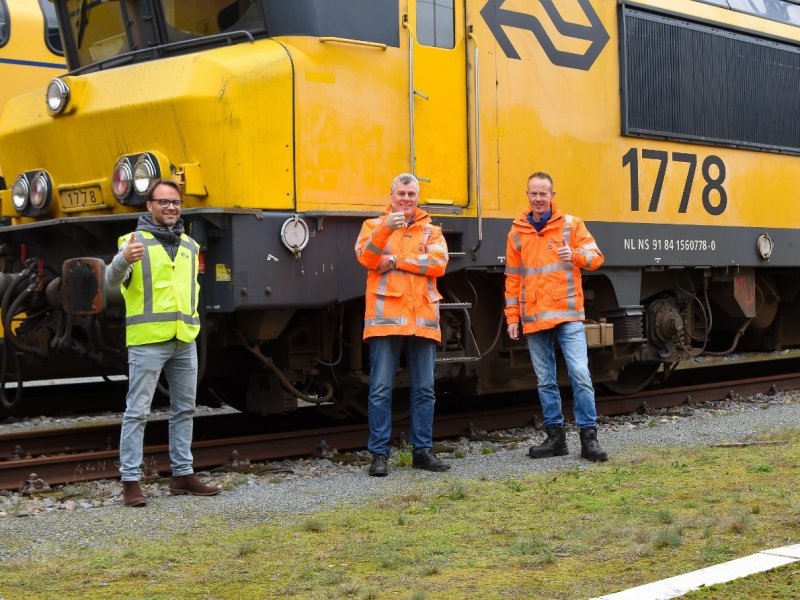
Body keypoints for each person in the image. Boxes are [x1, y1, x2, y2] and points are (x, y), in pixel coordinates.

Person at [106, 178, 221, 506]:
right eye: (164, 202)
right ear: (150, 206)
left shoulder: (190, 246)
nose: (171, 207)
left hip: (184, 339)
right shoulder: (132, 242)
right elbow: (110, 280)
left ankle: (183, 476)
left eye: (175, 202)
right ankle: (130, 482)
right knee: (137, 411)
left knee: (184, 409)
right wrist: (123, 259)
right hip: (147, 341)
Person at [504, 171, 608, 462]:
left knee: (580, 374)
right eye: (533, 194)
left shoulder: (571, 225)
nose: (538, 199)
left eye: (543, 193)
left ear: (552, 195)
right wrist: (512, 317)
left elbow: (596, 257)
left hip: (567, 314)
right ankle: (555, 439)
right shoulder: (517, 233)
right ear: (527, 195)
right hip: (534, 316)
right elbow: (512, 278)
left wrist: (574, 255)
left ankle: (589, 438)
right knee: (545, 380)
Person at [355, 173, 451, 476]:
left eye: (411, 194)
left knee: (425, 389)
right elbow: (367, 259)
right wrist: (386, 229)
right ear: (392, 196)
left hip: (422, 318)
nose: (406, 199)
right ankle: (379, 455)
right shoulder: (373, 226)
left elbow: (439, 264)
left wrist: (395, 260)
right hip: (386, 319)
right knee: (381, 389)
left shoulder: (432, 230)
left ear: (417, 198)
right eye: (401, 193)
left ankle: (422, 452)